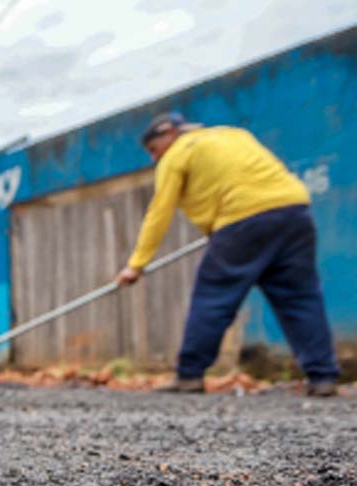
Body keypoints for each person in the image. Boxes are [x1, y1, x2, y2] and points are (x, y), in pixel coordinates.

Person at [116, 112, 339, 396]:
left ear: (168, 134)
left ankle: (190, 375)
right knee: (300, 298)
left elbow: (159, 212)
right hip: (294, 212)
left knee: (213, 297)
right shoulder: (234, 135)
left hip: (241, 220)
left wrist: (136, 265)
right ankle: (323, 377)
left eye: (153, 149)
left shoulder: (178, 153)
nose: (153, 158)